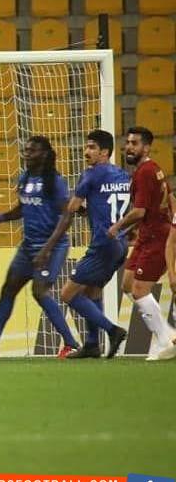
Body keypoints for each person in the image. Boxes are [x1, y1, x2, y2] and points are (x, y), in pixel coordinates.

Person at [0, 136, 80, 359]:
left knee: (39, 292)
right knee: (8, 290)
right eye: (26, 150)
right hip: (28, 247)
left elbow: (67, 217)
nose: (26, 154)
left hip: (52, 247)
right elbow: (23, 208)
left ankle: (71, 344)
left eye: (32, 151)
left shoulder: (55, 182)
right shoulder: (25, 178)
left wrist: (46, 250)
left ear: (45, 154)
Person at [33, 130, 131, 359]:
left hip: (102, 244)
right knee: (92, 291)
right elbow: (107, 205)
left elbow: (72, 207)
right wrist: (89, 211)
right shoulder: (122, 174)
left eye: (92, 147)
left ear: (105, 152)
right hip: (120, 244)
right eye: (86, 147)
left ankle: (113, 331)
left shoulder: (91, 174)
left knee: (68, 294)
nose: (86, 152)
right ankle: (92, 345)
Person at [107, 126, 174, 360]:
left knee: (139, 290)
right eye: (127, 143)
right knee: (127, 284)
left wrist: (117, 227)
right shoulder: (154, 168)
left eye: (134, 143)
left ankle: (165, 341)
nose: (128, 147)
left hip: (156, 238)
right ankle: (168, 333)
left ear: (146, 148)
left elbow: (139, 211)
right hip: (147, 236)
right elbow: (170, 197)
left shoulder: (145, 172)